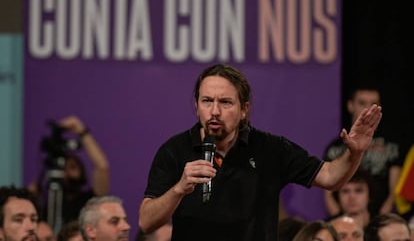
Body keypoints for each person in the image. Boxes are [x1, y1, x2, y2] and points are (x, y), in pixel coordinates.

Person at [138, 63, 382, 241]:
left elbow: (330, 177)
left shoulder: (270, 148)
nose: (214, 111)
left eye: (225, 102)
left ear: (244, 109)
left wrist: (355, 153)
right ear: (196, 105)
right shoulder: (174, 150)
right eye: (206, 101)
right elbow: (146, 221)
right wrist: (179, 189)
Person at [323, 86, 401, 217]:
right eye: (362, 103)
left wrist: (379, 221)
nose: (368, 110)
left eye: (373, 104)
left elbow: (395, 191)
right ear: (350, 105)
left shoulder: (391, 146)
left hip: (379, 217)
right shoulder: (335, 148)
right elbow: (328, 188)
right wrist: (340, 220)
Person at [29, 115, 110, 226]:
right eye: (63, 167)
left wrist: (82, 132)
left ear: (81, 171)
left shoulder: (89, 200)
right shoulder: (48, 199)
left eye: (72, 167)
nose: (67, 172)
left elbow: (102, 166)